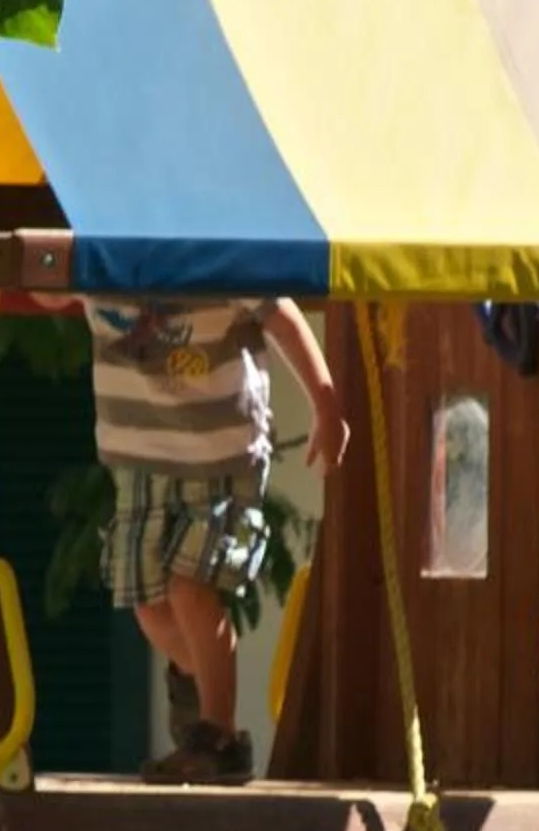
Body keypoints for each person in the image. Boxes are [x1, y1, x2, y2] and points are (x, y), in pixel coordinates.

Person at [24, 293, 349, 783]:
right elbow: (46, 292)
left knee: (188, 586)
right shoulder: (102, 253)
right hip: (139, 458)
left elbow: (282, 317)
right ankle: (201, 688)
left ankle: (218, 737)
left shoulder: (218, 251)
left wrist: (325, 403)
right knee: (148, 603)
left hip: (218, 453)